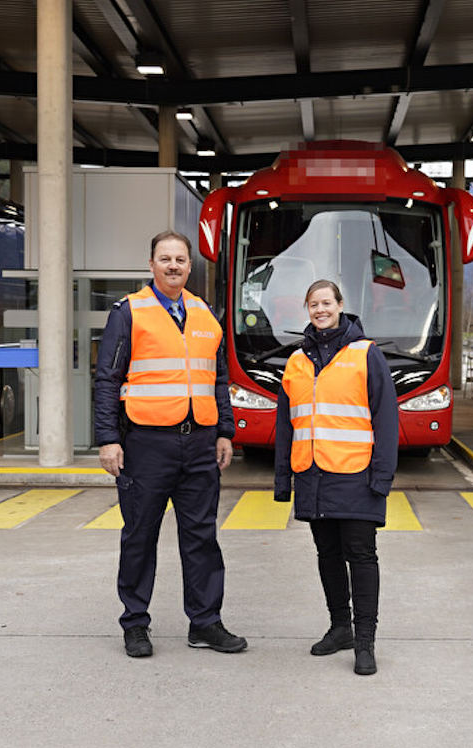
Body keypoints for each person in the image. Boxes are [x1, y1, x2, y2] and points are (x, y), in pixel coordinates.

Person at [93, 230, 246, 658]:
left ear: (189, 266)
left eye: (180, 259)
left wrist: (224, 431)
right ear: (151, 265)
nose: (173, 266)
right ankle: (135, 625)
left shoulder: (205, 313)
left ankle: (206, 623)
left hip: (199, 443)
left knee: (201, 536)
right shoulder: (129, 312)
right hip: (146, 443)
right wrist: (108, 439)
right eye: (165, 259)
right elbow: (107, 379)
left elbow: (217, 379)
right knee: (140, 535)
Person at [273, 279, 398, 676]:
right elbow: (285, 425)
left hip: (356, 476)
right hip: (312, 476)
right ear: (306, 309)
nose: (320, 309)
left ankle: (365, 643)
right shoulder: (296, 361)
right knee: (327, 555)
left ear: (341, 305)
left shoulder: (366, 354)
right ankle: (339, 628)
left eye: (326, 302)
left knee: (361, 556)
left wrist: (382, 477)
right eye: (313, 304)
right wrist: (283, 481)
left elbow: (386, 418)